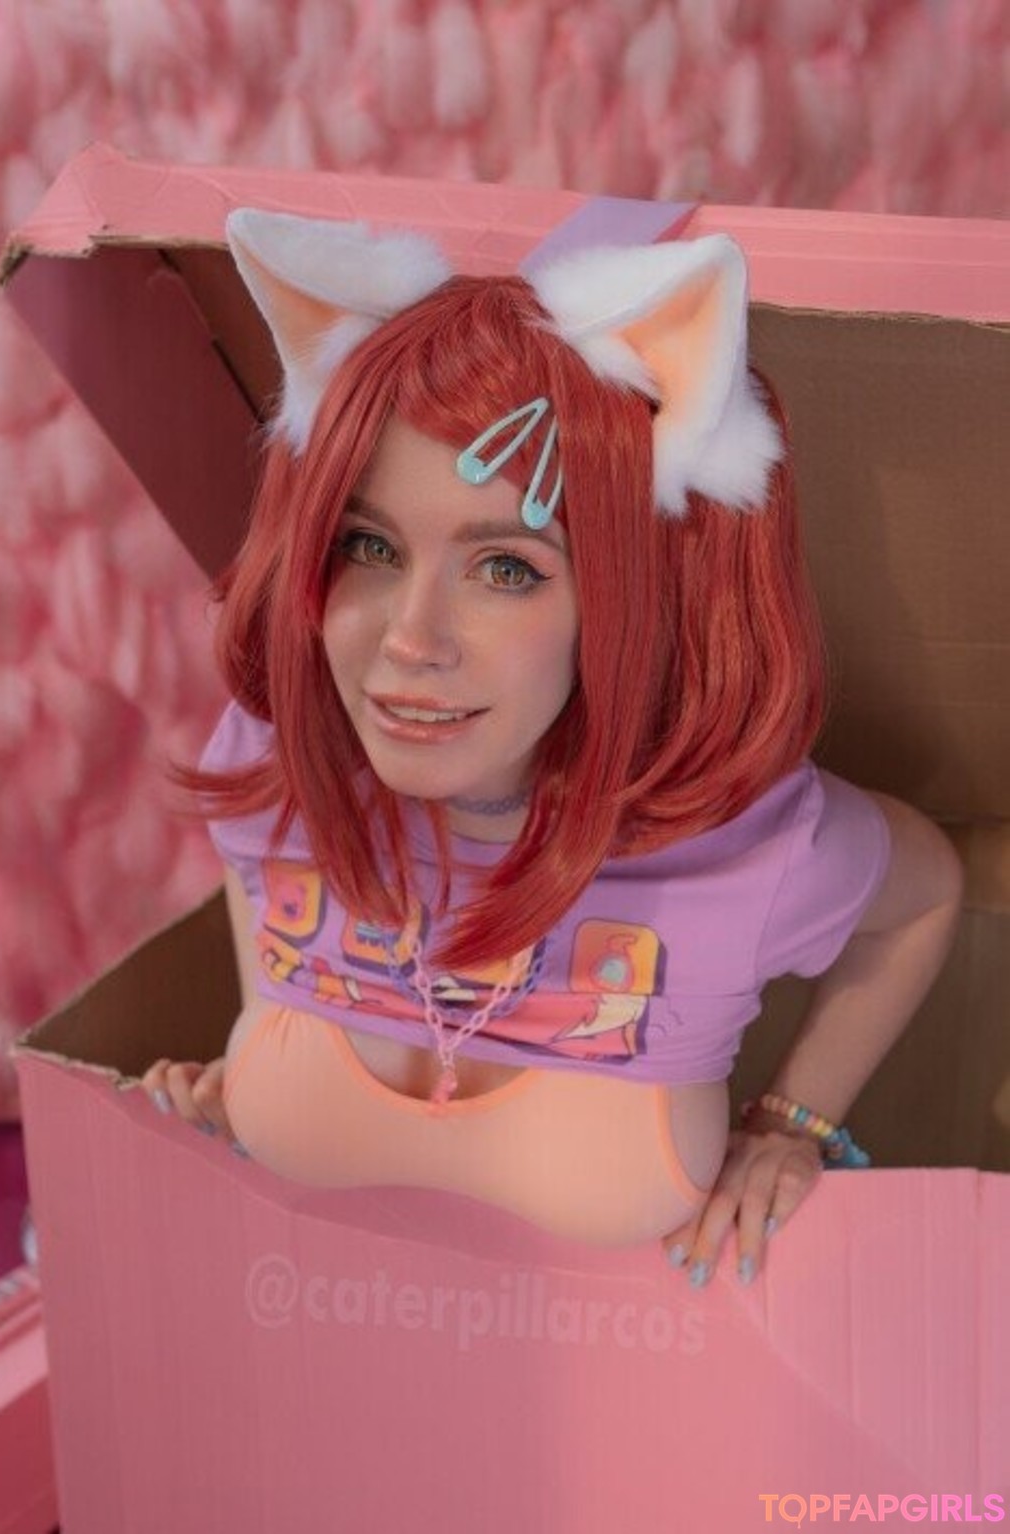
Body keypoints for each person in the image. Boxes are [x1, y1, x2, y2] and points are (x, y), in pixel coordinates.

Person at [142, 208, 962, 1286]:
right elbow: (258, 873)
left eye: (507, 569)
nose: (410, 640)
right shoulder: (278, 763)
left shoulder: (743, 851)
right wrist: (257, 1045)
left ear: (641, 603)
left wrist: (793, 1123)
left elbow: (927, 893)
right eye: (367, 546)